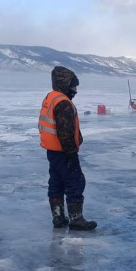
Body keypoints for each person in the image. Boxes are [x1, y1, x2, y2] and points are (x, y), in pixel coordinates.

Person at [38, 66, 98, 231]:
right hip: (64, 151)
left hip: (53, 151)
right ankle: (76, 219)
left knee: (56, 182)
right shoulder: (63, 103)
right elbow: (65, 133)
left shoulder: (51, 97)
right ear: (64, 85)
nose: (75, 90)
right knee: (75, 182)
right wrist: (72, 154)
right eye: (73, 86)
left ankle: (58, 218)